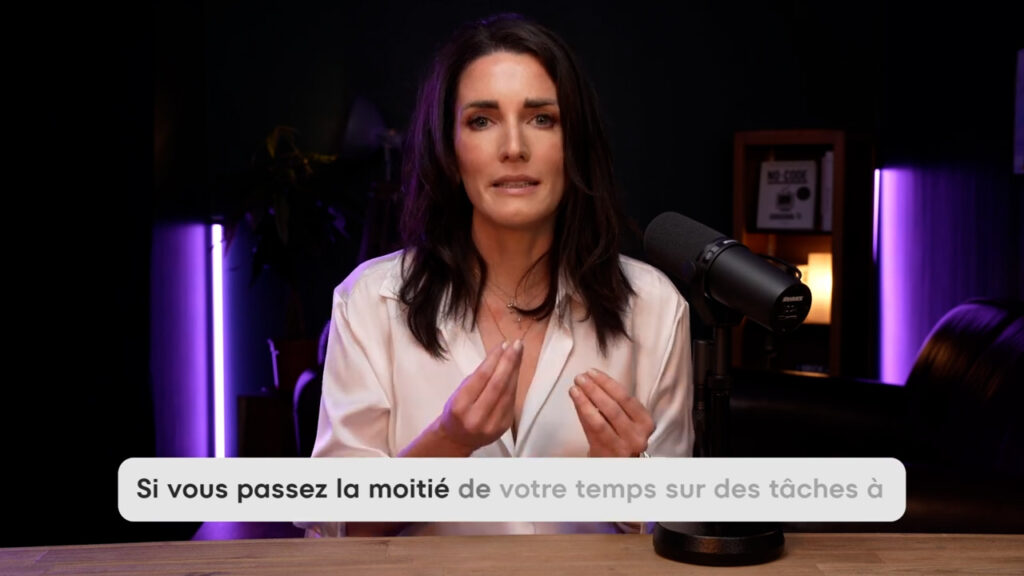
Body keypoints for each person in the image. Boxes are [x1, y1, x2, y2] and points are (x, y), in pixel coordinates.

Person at [302, 12, 693, 537]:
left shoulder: (653, 305)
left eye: (542, 119)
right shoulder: (371, 302)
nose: (514, 147)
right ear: (449, 149)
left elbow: (682, 531)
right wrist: (448, 441)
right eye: (482, 121)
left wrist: (625, 484)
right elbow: (337, 529)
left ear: (574, 142)